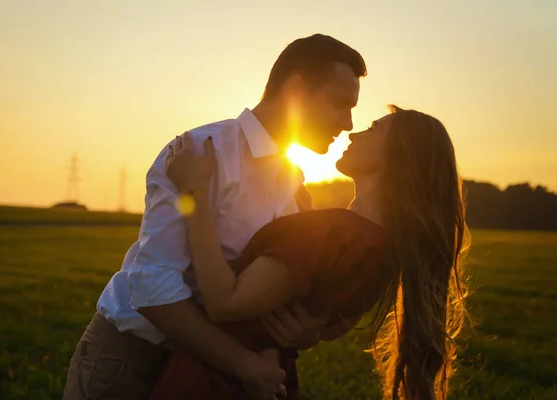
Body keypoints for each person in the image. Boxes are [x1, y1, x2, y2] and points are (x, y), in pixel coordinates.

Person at [63, 33, 367, 400]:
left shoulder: (296, 187)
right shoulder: (200, 154)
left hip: (207, 374)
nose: (348, 123)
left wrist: (306, 331)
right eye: (339, 104)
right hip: (133, 360)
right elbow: (151, 287)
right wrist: (243, 364)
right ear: (297, 91)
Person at [151, 105, 469, 400]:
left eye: (373, 128)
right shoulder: (381, 249)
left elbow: (224, 302)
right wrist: (313, 333)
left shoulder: (332, 233)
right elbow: (331, 320)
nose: (354, 132)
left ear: (397, 156)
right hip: (268, 380)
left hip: (211, 382)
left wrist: (194, 191)